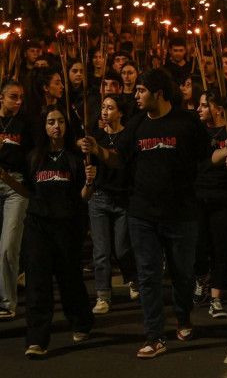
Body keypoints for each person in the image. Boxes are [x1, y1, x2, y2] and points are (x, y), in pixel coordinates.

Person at [78, 68, 211, 359]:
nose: (135, 96)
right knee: (148, 275)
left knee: (182, 273)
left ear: (158, 93)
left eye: (141, 91)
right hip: (142, 213)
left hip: (181, 213)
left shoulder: (187, 122)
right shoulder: (137, 124)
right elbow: (119, 160)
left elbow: (206, 156)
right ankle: (154, 335)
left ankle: (183, 317)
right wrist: (98, 151)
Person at [23, 105, 95, 358]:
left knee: (70, 278)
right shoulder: (34, 157)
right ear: (44, 126)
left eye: (61, 122)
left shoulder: (76, 158)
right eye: (51, 122)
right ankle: (37, 339)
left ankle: (81, 322)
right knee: (37, 282)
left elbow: (84, 197)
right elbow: (27, 190)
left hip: (67, 225)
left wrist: (89, 182)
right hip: (38, 225)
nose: (56, 126)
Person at [193, 90, 227, 318]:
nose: (199, 109)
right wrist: (224, 151)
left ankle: (216, 298)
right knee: (198, 246)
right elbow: (201, 163)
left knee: (221, 248)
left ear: (217, 109)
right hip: (199, 196)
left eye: (204, 105)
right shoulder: (197, 133)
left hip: (226, 198)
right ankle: (201, 277)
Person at [89, 95, 139, 314]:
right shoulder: (97, 136)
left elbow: (124, 163)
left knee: (122, 248)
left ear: (120, 112)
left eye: (110, 107)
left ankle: (133, 278)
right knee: (101, 251)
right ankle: (103, 295)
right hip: (100, 197)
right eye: (103, 107)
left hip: (122, 198)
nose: (105, 111)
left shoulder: (127, 136)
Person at [0, 80, 33, 321]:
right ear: (1, 98)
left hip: (15, 185)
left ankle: (6, 302)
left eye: (21, 96)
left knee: (9, 245)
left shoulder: (25, 124)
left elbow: (32, 155)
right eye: (13, 96)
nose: (19, 101)